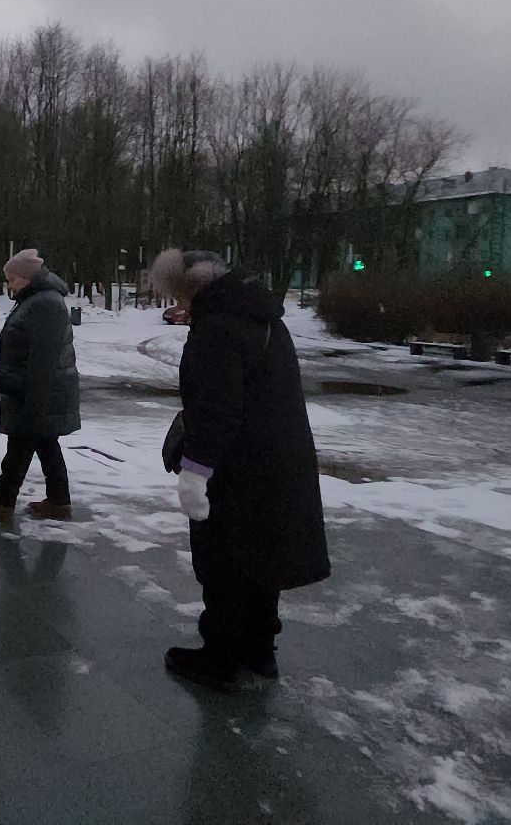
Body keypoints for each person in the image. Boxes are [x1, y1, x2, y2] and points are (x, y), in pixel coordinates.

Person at [151, 248, 330, 692]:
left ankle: (221, 658)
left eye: (179, 295)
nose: (180, 305)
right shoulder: (264, 317)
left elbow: (216, 410)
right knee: (263, 557)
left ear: (190, 289)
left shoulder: (216, 328)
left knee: (224, 560)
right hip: (278, 461)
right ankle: (259, 651)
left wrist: (195, 473)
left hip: (235, 468)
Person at [0, 248, 81, 522]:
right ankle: (57, 501)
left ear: (25, 277)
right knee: (44, 443)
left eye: (11, 279)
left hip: (35, 390)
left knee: (21, 446)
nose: (9, 285)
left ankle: (3, 500)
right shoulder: (36, 300)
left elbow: (43, 358)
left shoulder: (44, 303)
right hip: (32, 389)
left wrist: (35, 401)